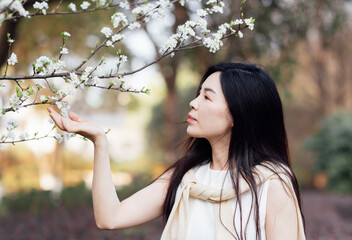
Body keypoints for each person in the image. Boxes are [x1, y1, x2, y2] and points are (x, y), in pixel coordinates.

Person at [48, 62, 306, 240]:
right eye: (198, 94)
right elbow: (110, 218)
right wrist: (99, 142)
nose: (193, 103)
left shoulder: (272, 184)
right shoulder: (187, 178)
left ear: (238, 113)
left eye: (207, 97)